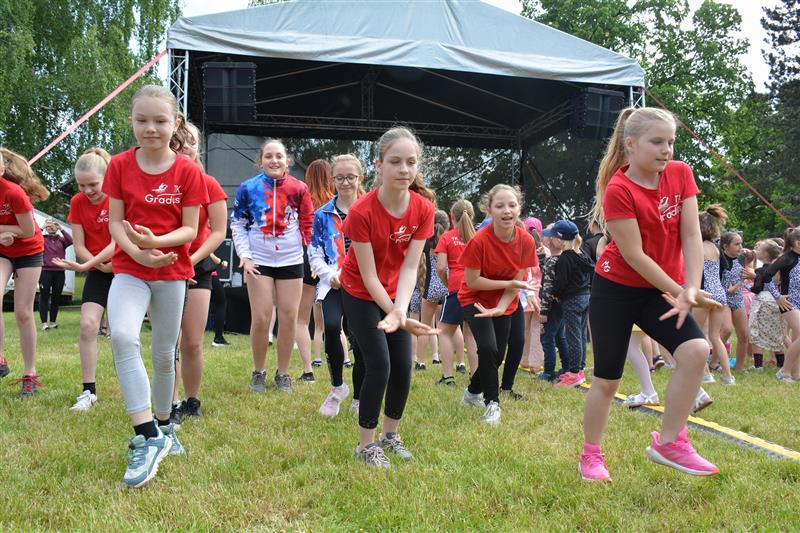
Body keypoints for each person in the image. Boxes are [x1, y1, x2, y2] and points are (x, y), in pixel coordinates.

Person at [580, 107, 721, 482]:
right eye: (657, 141)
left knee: (696, 350)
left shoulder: (680, 173)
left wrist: (691, 288)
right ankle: (591, 455)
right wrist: (679, 290)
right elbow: (634, 255)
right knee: (608, 380)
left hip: (658, 288)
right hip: (616, 289)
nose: (666, 150)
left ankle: (670, 442)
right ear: (631, 144)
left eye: (671, 142)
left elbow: (691, 235)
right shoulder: (619, 189)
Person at [103, 84, 208, 488]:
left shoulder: (188, 171)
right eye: (142, 120)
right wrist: (137, 251)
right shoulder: (118, 166)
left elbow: (190, 230)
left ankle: (164, 426)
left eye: (160, 120)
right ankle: (147, 435)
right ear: (131, 121)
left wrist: (156, 244)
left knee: (165, 354)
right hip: (130, 268)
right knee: (122, 336)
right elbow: (115, 222)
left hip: (172, 271)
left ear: (175, 123)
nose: (151, 128)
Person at [340, 127, 436, 467]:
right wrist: (396, 313)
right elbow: (368, 276)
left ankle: (390, 435)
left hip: (396, 295)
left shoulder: (423, 209)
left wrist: (400, 311)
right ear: (379, 165)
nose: (404, 169)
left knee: (403, 366)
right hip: (360, 292)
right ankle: (365, 445)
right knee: (379, 364)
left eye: (411, 162)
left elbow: (411, 267)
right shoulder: (361, 212)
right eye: (395, 162)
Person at [230, 138, 314, 394]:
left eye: (279, 156)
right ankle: (258, 371)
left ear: (287, 161)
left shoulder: (299, 188)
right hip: (259, 260)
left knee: (289, 316)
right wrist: (245, 256)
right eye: (268, 156)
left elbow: (308, 223)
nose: (274, 160)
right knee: (262, 317)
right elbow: (238, 224)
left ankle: (283, 373)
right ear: (261, 161)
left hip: (291, 260)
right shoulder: (248, 188)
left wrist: (309, 255)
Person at [458, 184, 538, 425]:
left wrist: (502, 307)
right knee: (488, 348)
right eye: (500, 206)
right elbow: (473, 281)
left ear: (519, 209)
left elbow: (517, 282)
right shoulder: (479, 241)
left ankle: (472, 392)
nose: (507, 211)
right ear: (489, 210)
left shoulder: (526, 241)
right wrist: (509, 283)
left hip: (505, 301)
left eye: (512, 205)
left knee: (497, 355)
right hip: (474, 299)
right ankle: (492, 404)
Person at [171, 117, 227, 421]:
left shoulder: (209, 184)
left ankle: (191, 401)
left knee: (192, 342)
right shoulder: (160, 183)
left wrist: (189, 262)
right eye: (178, 142)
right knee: (169, 343)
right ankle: (171, 403)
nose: (185, 147)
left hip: (197, 266)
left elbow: (218, 232)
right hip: (160, 266)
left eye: (191, 142)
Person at [53, 147, 115, 411]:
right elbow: (79, 245)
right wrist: (96, 265)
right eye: (81, 185)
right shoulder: (78, 202)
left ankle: (140, 390)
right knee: (88, 325)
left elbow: (118, 240)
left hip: (125, 268)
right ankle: (89, 392)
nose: (87, 190)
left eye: (93, 184)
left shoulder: (118, 197)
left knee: (124, 333)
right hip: (98, 269)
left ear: (106, 178)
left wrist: (96, 264)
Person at [309, 153, 365, 418]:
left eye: (350, 177)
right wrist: (329, 274)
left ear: (360, 178)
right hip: (332, 283)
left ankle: (359, 397)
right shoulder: (322, 215)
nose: (345, 183)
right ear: (332, 179)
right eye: (340, 178)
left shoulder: (369, 211)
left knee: (360, 339)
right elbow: (314, 251)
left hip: (364, 285)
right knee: (331, 327)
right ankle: (337, 387)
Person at [0, 147, 50, 397]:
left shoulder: (13, 193)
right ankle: (0, 358)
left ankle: (30, 374)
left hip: (28, 250)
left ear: (1, 170)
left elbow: (28, 231)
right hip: (2, 249)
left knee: (22, 312)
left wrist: (7, 232)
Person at [297, 159, 336, 380]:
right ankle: (343, 363)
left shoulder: (304, 202)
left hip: (307, 261)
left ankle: (308, 370)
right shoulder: (336, 203)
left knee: (301, 319)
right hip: (333, 264)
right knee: (337, 322)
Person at [545, 220, 594, 387]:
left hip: (571, 300)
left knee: (572, 336)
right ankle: (580, 369)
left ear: (560, 240)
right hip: (585, 296)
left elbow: (560, 283)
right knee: (581, 334)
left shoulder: (565, 258)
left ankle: (573, 374)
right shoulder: (582, 255)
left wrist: (556, 294)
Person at [435, 199, 478, 385]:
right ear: (472, 216)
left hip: (456, 288)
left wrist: (448, 284)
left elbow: (440, 267)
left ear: (451, 217)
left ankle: (448, 377)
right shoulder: (479, 237)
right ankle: (475, 377)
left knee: (444, 331)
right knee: (471, 333)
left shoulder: (447, 237)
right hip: (476, 288)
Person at [752, 228, 800, 382]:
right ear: (798, 243)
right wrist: (777, 297)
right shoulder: (786, 258)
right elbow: (766, 276)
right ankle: (784, 371)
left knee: (797, 338)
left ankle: (796, 373)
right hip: (789, 303)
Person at [695, 205, 735, 385]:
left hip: (705, 293)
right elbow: (725, 270)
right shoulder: (716, 248)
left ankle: (706, 374)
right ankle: (728, 376)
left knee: (696, 334)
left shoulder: (697, 247)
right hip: (719, 293)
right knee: (715, 337)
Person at [415, 210, 449, 369]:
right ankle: (460, 363)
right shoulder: (449, 240)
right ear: (447, 224)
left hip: (430, 288)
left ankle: (421, 362)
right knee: (448, 328)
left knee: (425, 326)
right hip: (447, 286)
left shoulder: (426, 242)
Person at [719, 231, 750, 371]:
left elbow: (743, 276)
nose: (740, 247)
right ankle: (713, 361)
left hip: (737, 298)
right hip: (724, 297)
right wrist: (731, 287)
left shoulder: (742, 258)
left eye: (741, 243)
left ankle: (739, 367)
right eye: (737, 244)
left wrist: (747, 278)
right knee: (726, 330)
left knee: (744, 334)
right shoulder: (719, 259)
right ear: (726, 246)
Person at [39, 218, 72, 330]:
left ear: (56, 227)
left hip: (59, 272)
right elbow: (33, 238)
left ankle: (53, 322)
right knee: (44, 296)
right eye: (48, 225)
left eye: (53, 225)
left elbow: (71, 240)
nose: (51, 227)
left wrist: (61, 228)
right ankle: (44, 323)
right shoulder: (42, 239)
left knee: (56, 297)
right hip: (45, 272)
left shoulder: (62, 240)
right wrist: (42, 227)